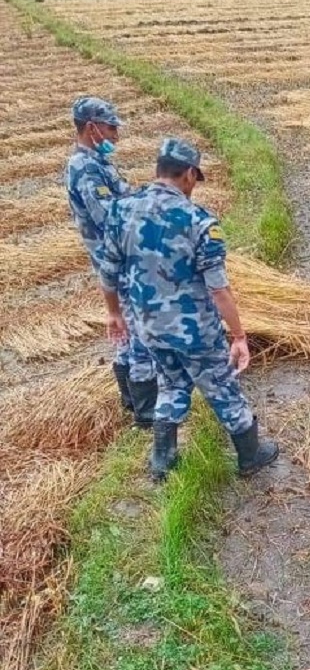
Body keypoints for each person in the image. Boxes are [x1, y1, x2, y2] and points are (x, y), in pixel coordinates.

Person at [98, 138, 279, 481]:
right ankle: (251, 454)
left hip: (148, 327)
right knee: (221, 387)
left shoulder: (121, 210)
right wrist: (239, 336)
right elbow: (218, 288)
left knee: (171, 385)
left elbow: (108, 273)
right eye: (196, 178)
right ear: (190, 174)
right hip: (194, 330)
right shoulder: (199, 221)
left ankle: (162, 462)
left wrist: (114, 314)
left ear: (158, 170)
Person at [65, 96, 157, 427]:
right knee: (139, 331)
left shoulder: (97, 163)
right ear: (91, 128)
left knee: (123, 331)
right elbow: (109, 219)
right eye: (110, 128)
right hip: (118, 262)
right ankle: (147, 414)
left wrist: (148, 194)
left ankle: (131, 400)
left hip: (117, 259)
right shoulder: (85, 168)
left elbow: (122, 196)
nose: (116, 136)